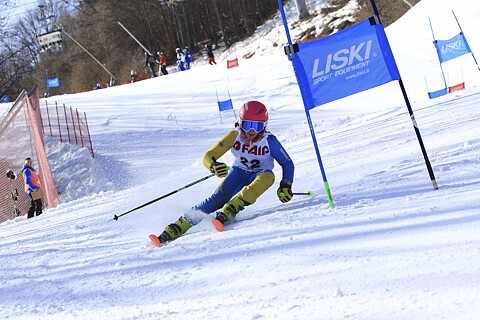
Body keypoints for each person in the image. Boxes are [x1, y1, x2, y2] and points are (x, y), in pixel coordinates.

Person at [149, 101, 294, 246]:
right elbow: (208, 156)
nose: (252, 131)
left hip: (260, 173)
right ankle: (175, 227)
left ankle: (231, 208)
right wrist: (214, 166)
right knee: (216, 199)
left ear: (264, 126)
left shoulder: (270, 141)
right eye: (247, 124)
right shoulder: (233, 136)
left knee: (268, 176)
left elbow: (287, 163)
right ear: (240, 122)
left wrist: (286, 185)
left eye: (257, 126)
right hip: (238, 173)